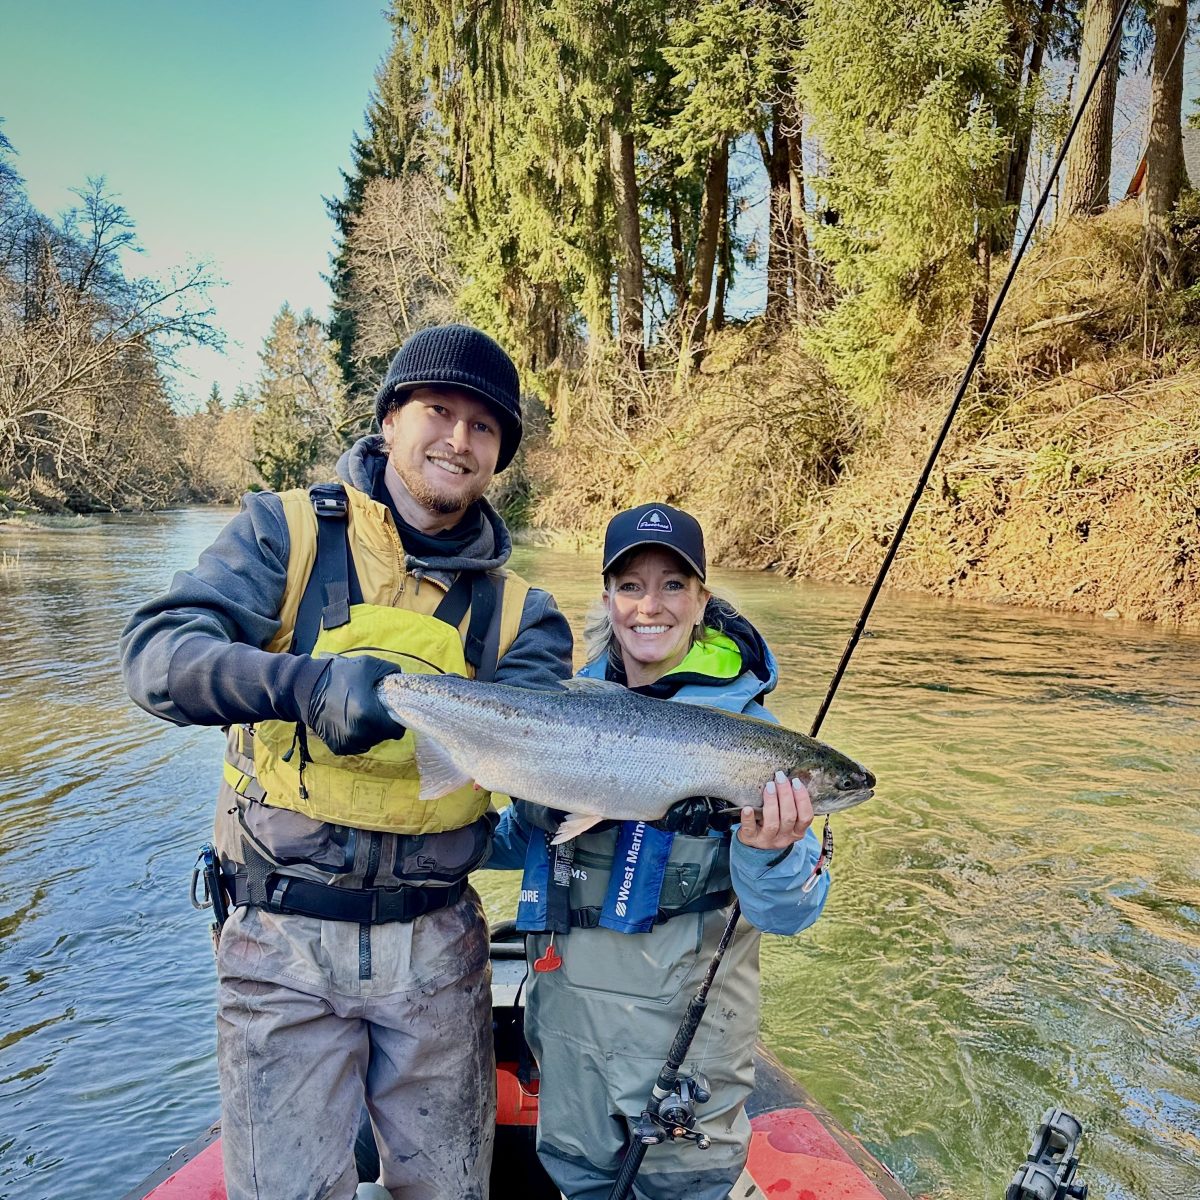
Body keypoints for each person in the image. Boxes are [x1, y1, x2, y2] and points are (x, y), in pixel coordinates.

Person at [120, 324, 572, 1200]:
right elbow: (157, 658)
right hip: (275, 937)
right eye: (438, 412)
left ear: (499, 457)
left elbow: (539, 759)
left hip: (440, 945)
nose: (459, 440)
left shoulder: (529, 615)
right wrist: (303, 685)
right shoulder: (279, 532)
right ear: (391, 419)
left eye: (485, 429)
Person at [487, 502, 831, 1200]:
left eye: (674, 585)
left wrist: (770, 852)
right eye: (631, 586)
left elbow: (791, 913)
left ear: (703, 601)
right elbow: (520, 840)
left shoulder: (754, 741)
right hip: (571, 1040)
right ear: (608, 599)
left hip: (685, 1056)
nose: (652, 605)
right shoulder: (562, 706)